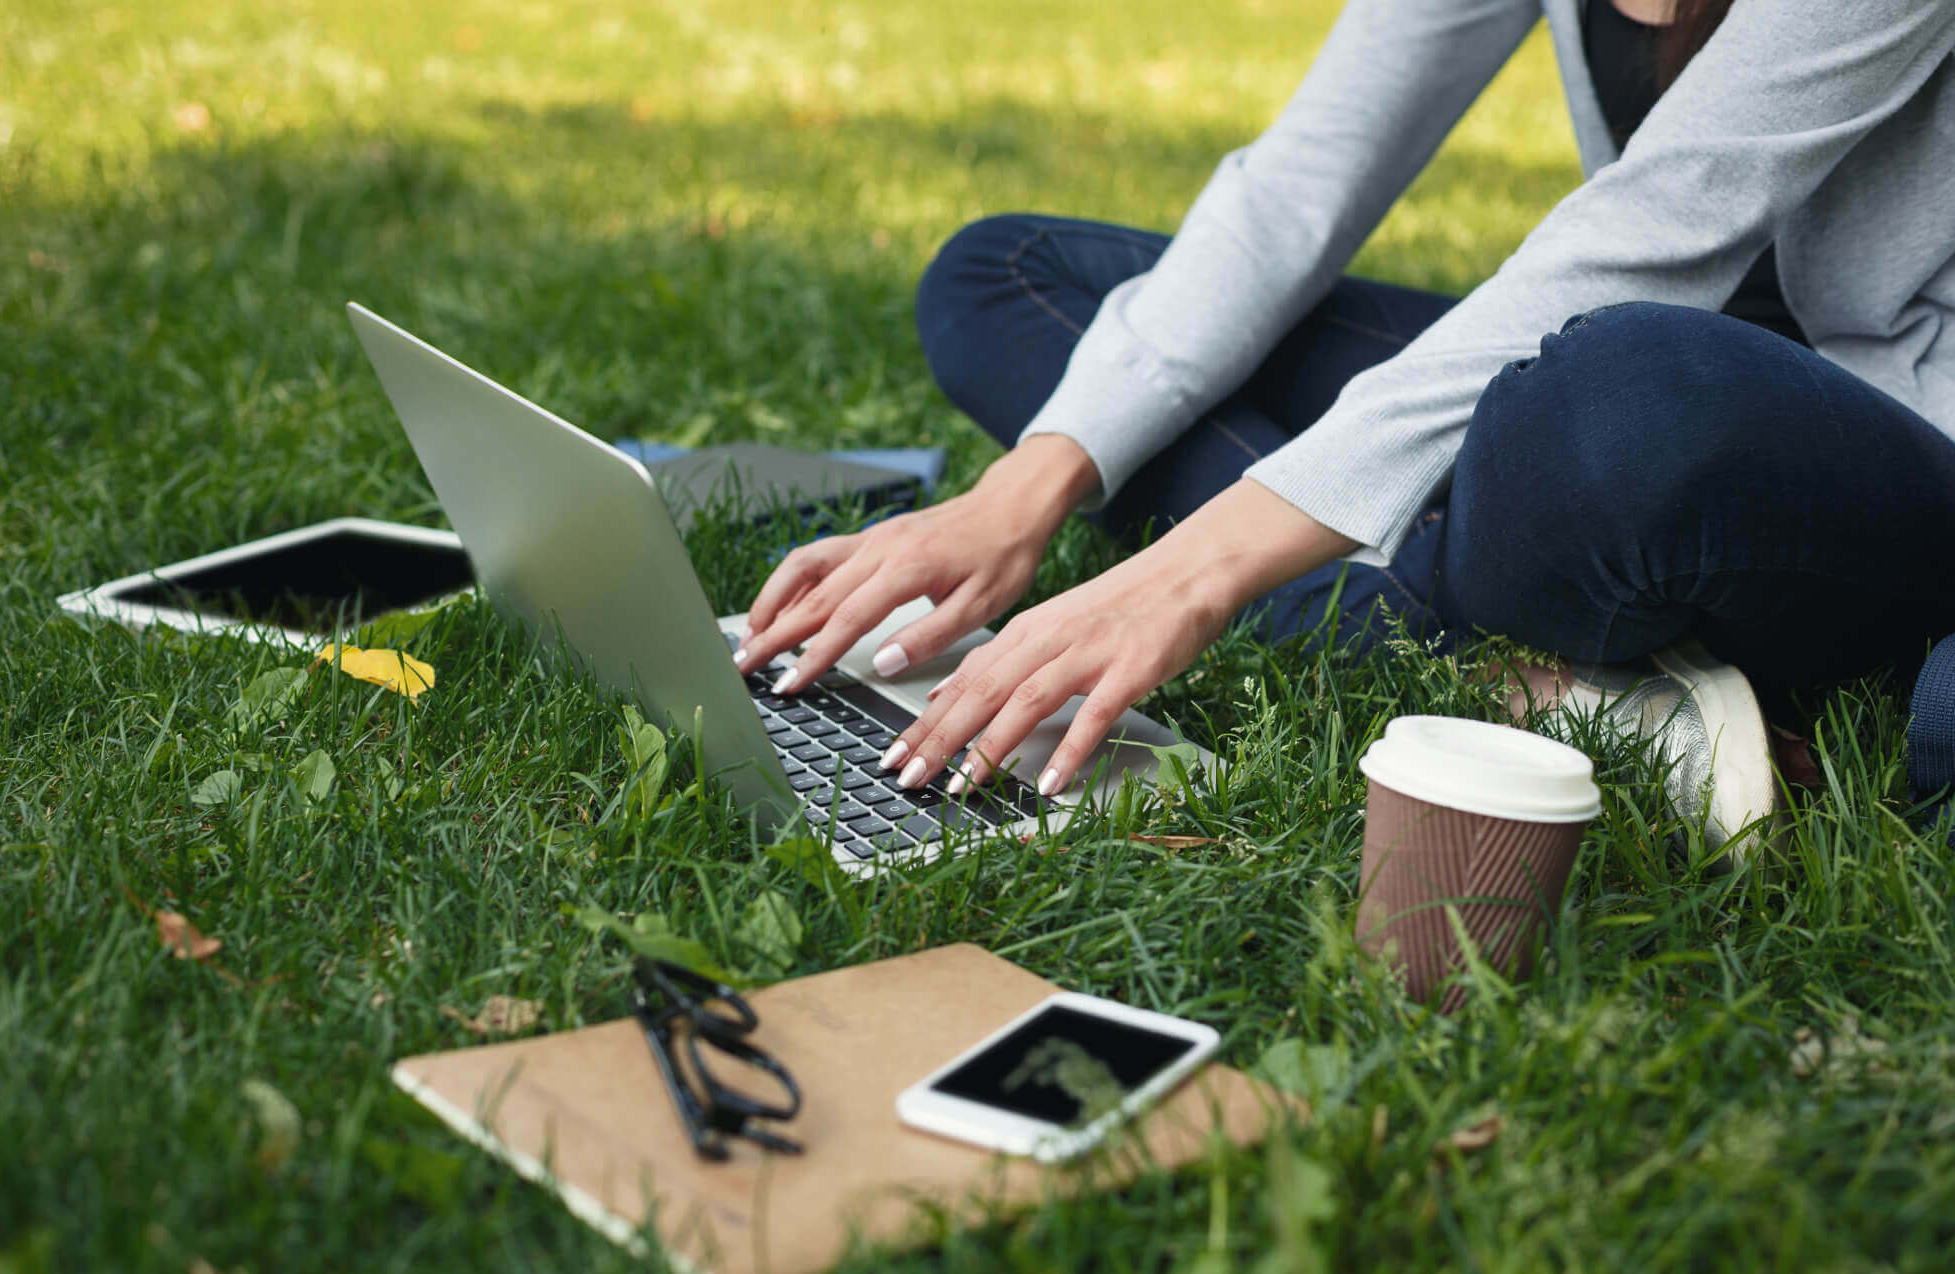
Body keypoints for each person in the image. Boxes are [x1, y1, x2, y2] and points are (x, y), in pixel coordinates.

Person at [733, 0, 1955, 858]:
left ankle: (1449, 593)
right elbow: (1298, 186)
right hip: (1600, 391)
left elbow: (1658, 229)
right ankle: (1531, 669)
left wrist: (1184, 577)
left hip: (1848, 435)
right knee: (1009, 279)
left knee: (1604, 389)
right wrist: (1023, 487)